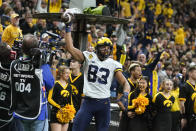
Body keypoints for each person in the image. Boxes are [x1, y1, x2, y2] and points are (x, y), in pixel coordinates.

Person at [64, 19, 130, 131]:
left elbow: (125, 83)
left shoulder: (113, 64)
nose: (106, 49)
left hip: (104, 103)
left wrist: (125, 94)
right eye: (103, 47)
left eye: (108, 47)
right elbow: (70, 48)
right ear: (97, 48)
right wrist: (67, 28)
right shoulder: (89, 57)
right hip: (88, 101)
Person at [10, 34, 54, 131]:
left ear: (22, 47)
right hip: (37, 113)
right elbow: (50, 84)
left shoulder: (14, 64)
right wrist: (48, 64)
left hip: (19, 112)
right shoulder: (41, 66)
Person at [48, 65, 73, 131]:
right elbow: (49, 99)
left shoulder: (69, 86)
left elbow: (70, 101)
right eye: (67, 73)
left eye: (69, 73)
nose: (68, 75)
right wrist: (59, 107)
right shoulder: (54, 84)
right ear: (61, 73)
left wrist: (71, 114)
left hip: (66, 114)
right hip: (56, 113)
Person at [118, 63, 142, 131]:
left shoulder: (141, 84)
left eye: (141, 71)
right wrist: (126, 112)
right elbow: (119, 100)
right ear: (132, 71)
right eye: (138, 70)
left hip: (137, 114)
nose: (140, 72)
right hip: (126, 114)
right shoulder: (125, 83)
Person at [67, 59, 84, 131]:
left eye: (73, 61)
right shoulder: (66, 75)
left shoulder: (83, 78)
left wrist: (79, 114)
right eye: (71, 61)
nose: (71, 62)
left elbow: (83, 98)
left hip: (75, 111)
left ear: (80, 65)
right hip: (64, 109)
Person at [179, 65, 196, 131]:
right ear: (190, 73)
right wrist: (183, 117)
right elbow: (181, 105)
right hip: (189, 118)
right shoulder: (184, 87)